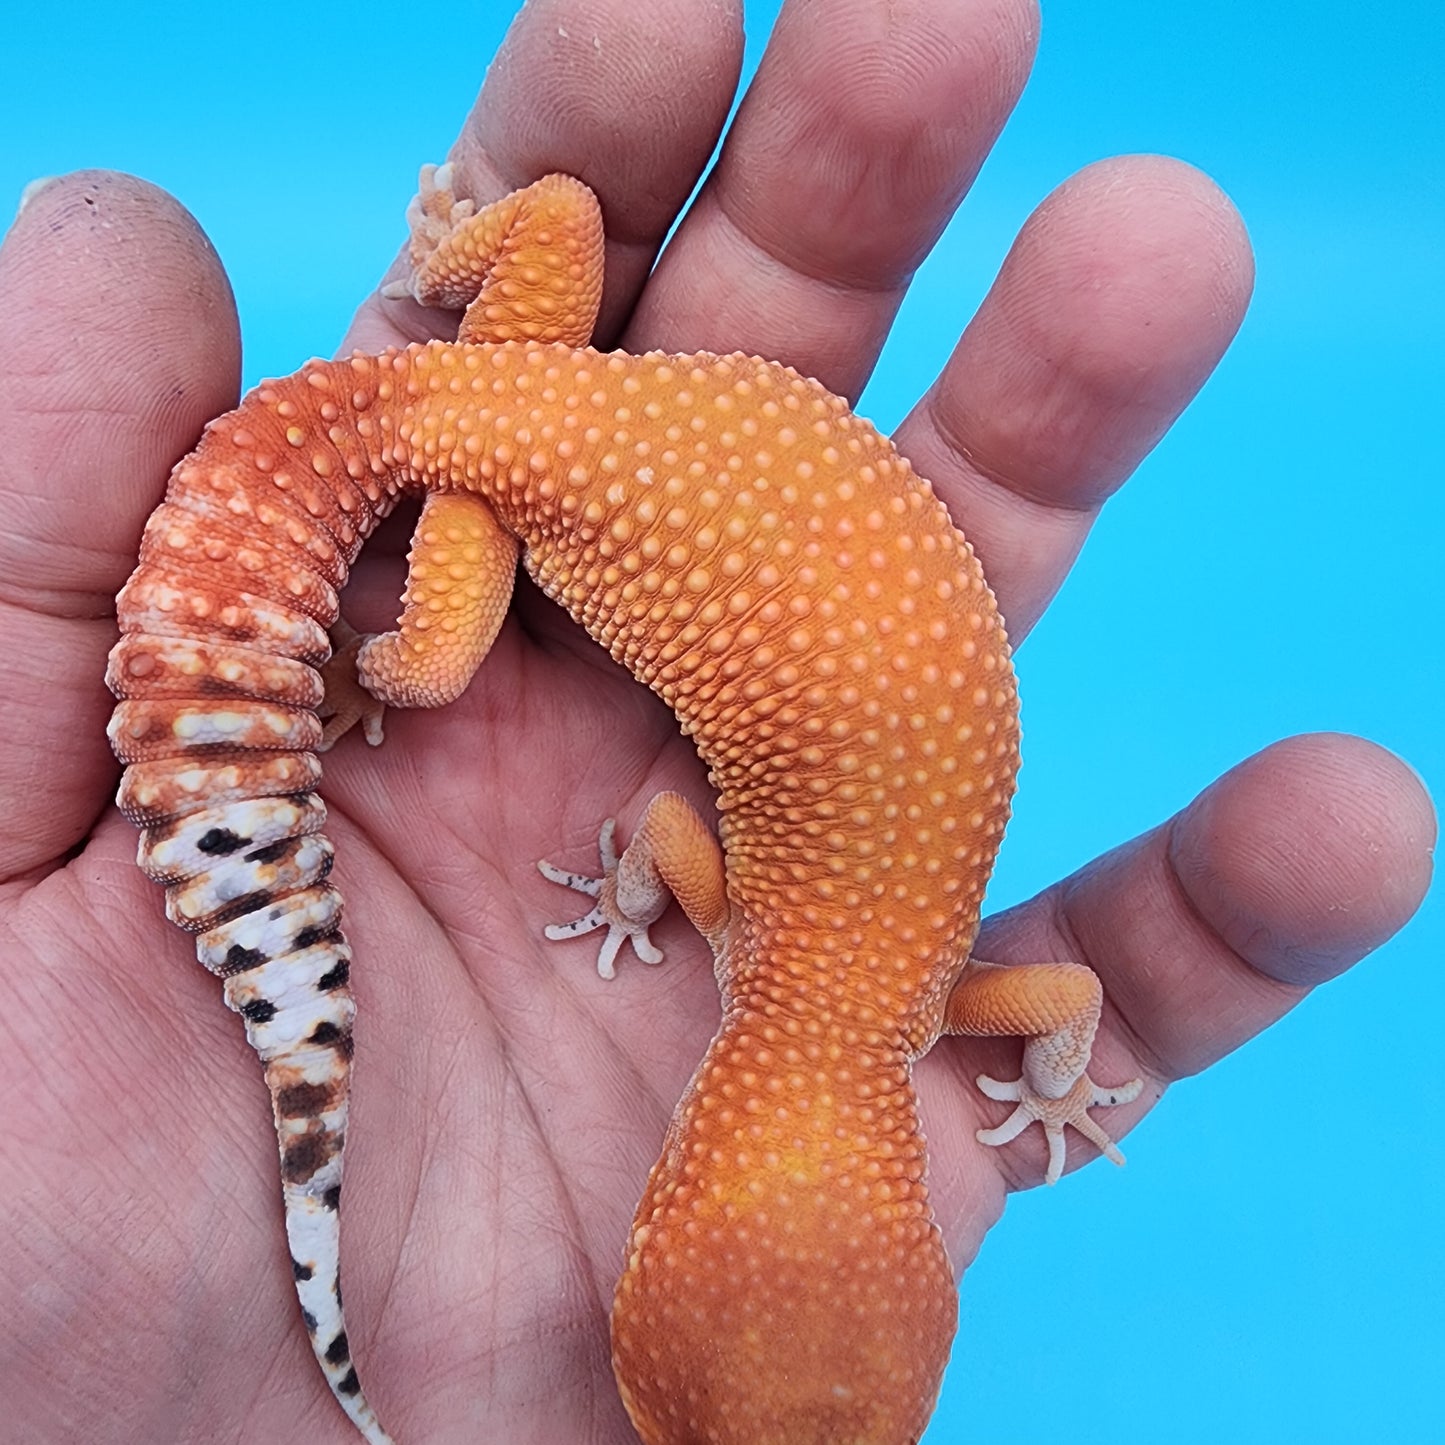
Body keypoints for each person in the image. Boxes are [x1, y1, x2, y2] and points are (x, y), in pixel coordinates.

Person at [0, 0, 1432, 1440]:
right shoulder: (810, 961)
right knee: (429, 670)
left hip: (526, 364)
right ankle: (369, 659)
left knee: (551, 211)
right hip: (496, 468)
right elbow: (669, 838)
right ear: (672, 1183)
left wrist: (1060, 1088)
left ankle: (463, 250)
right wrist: (371, 691)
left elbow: (1063, 1013)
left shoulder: (938, 1007)